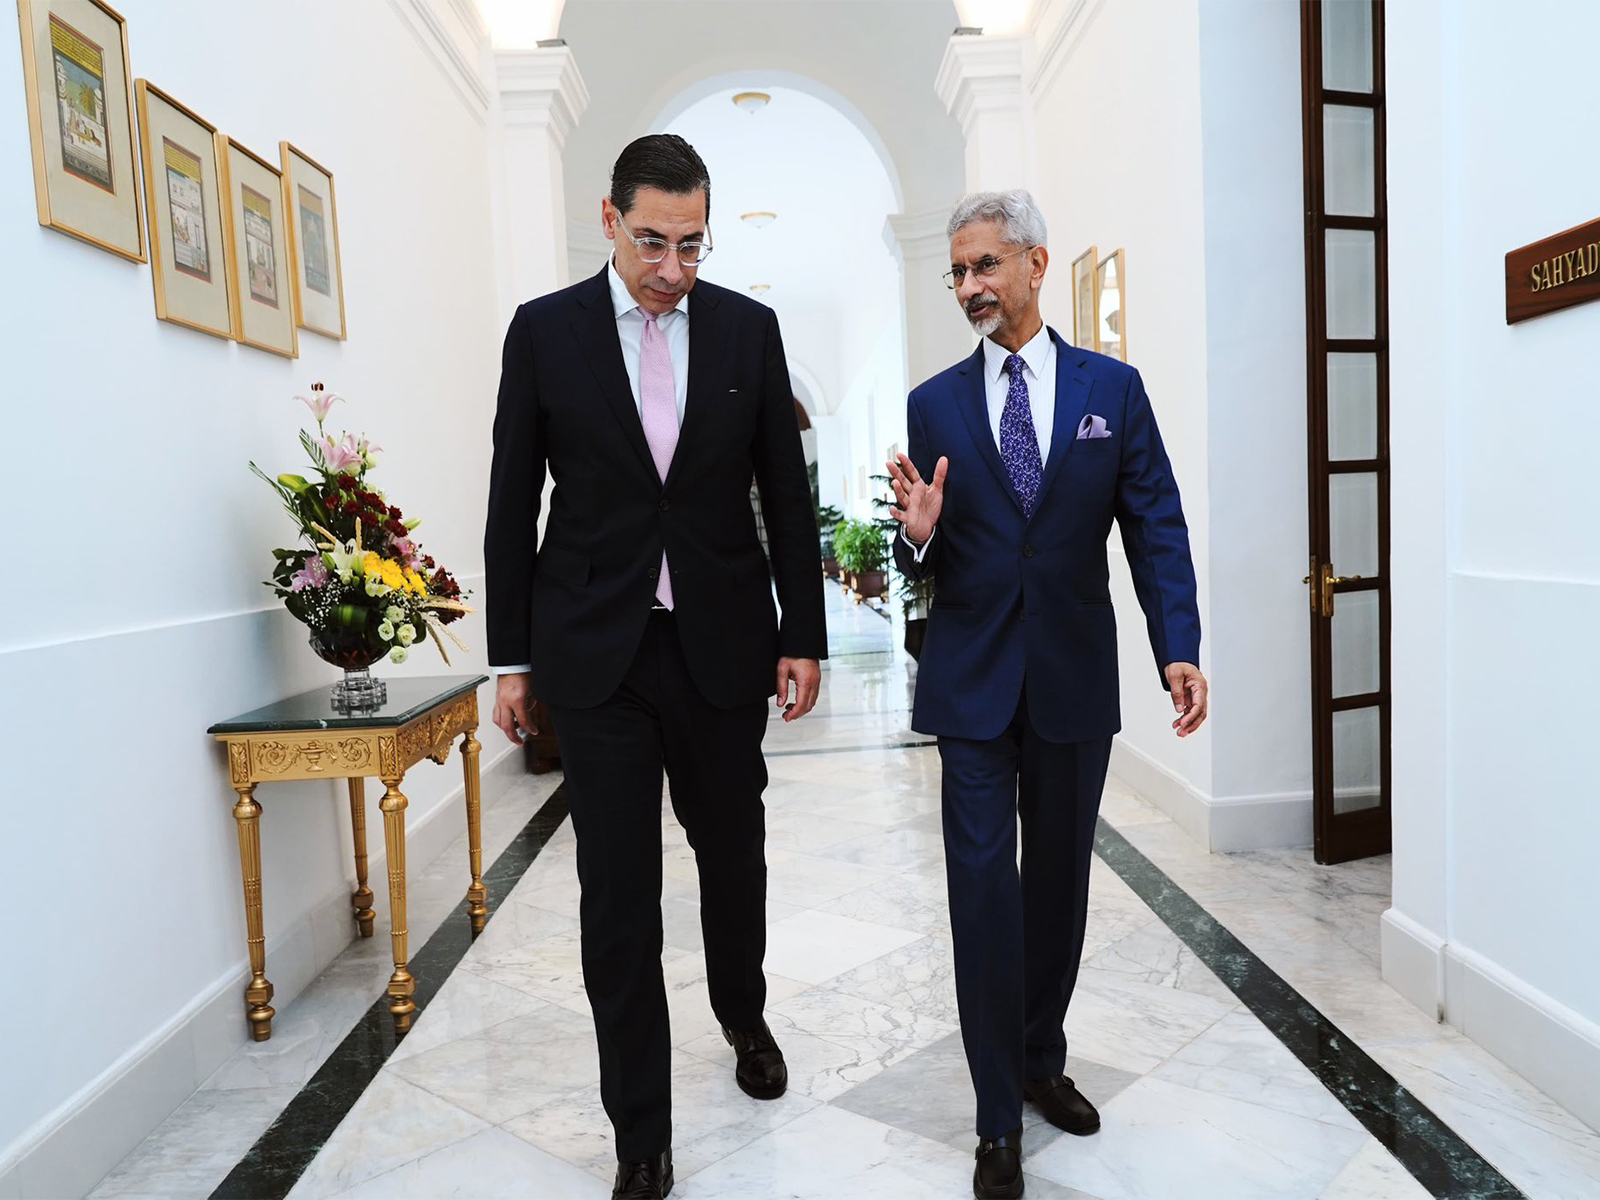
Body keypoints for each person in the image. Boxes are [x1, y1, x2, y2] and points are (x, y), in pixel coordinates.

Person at [483, 133, 826, 1200]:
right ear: (608, 220)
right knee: (616, 895)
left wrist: (801, 633)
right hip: (598, 657)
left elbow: (784, 488)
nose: (673, 268)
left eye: (690, 245)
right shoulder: (545, 334)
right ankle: (640, 1133)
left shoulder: (747, 331)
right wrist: (510, 658)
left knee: (733, 858)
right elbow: (511, 505)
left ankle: (742, 1011)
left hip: (720, 644)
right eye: (652, 243)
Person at [887, 189, 1207, 1200]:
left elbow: (1153, 521)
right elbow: (917, 552)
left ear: (1033, 263)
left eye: (984, 266)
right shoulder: (933, 402)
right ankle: (993, 1116)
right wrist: (920, 530)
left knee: (1058, 886)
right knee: (981, 891)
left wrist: (1177, 643)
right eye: (957, 273)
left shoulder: (1112, 386)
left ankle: (1038, 1058)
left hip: (1072, 677)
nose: (970, 288)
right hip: (972, 682)